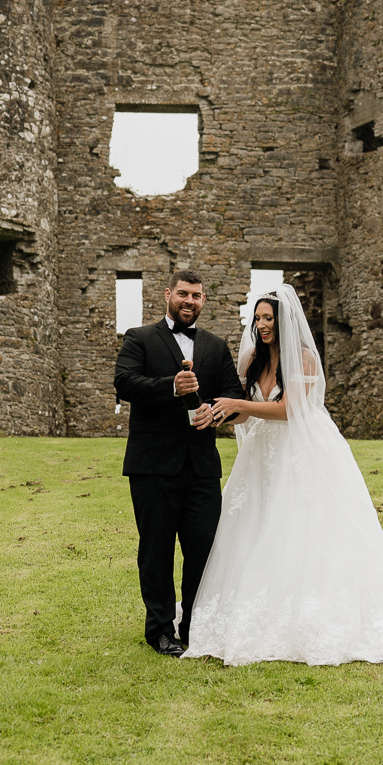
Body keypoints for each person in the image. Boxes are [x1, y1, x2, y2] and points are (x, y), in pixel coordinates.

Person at [182, 283, 383, 675]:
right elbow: (248, 415)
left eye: (269, 319)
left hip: (298, 452)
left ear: (284, 322)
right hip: (261, 455)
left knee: (302, 525)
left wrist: (239, 403)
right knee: (253, 526)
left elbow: (288, 409)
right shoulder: (251, 362)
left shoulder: (303, 360)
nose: (262, 326)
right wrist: (220, 413)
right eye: (258, 318)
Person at [113, 269, 247, 657]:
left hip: (202, 467)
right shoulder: (138, 338)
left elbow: (233, 395)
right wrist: (171, 386)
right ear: (168, 294)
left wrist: (215, 413)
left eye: (198, 296)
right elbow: (124, 382)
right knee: (155, 551)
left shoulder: (215, 346)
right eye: (184, 294)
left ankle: (193, 623)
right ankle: (159, 630)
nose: (190, 301)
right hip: (152, 465)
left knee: (203, 550)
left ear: (204, 301)